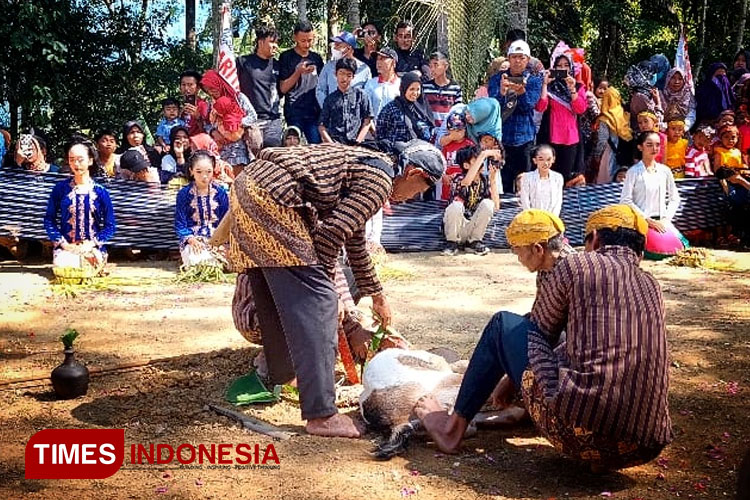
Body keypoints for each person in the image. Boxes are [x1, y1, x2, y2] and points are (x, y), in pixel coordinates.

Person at [417, 204, 673, 472]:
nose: (517, 257)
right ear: (640, 251)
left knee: (502, 324)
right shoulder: (652, 285)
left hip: (581, 435)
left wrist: (510, 372)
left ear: (595, 238)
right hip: (645, 446)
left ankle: (450, 431)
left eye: (518, 251)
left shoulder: (575, 266)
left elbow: (540, 332)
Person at [222, 140, 445, 438]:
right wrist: (331, 291)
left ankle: (285, 373)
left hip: (248, 187)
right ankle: (322, 415)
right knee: (322, 305)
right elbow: (330, 236)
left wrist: (377, 294)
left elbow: (352, 239)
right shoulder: (380, 179)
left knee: (277, 296)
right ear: (414, 173)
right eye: (419, 189)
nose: (412, 197)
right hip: (273, 198)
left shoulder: (370, 168)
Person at [44, 139, 116, 271]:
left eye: (80, 159)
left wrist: (92, 244)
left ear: (90, 160)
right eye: (72, 160)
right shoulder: (60, 189)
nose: (76, 164)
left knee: (89, 265)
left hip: (93, 247)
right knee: (66, 266)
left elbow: (110, 226)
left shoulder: (101, 192)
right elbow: (49, 220)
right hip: (67, 248)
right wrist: (63, 244)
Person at [621, 131, 688, 259]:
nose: (654, 148)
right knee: (656, 253)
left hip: (662, 221)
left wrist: (666, 219)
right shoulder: (633, 172)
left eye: (657, 145)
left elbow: (675, 198)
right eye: (649, 145)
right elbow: (625, 200)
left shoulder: (665, 171)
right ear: (640, 147)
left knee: (682, 247)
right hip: (641, 222)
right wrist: (647, 220)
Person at [490, 40, 543, 193]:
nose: (518, 61)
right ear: (508, 58)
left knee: (524, 182)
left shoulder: (533, 80)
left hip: (524, 139)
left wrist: (521, 93)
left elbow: (528, 106)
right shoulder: (497, 79)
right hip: (502, 138)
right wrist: (501, 92)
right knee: (503, 183)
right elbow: (494, 107)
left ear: (528, 60)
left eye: (522, 57)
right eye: (514, 57)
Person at [536, 51, 587, 187]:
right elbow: (541, 107)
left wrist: (572, 90)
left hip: (571, 138)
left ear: (570, 68)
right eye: (559, 66)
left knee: (567, 179)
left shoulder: (578, 86)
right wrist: (545, 85)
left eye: (566, 65)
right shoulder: (551, 87)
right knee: (549, 176)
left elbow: (580, 109)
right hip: (552, 137)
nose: (563, 69)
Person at [442, 145, 501, 256]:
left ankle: (474, 241)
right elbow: (467, 182)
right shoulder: (458, 178)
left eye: (482, 160)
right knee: (456, 206)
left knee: (488, 204)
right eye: (477, 160)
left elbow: (496, 207)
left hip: (472, 226)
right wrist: (484, 154)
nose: (481, 162)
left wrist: (493, 179)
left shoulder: (484, 180)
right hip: (456, 226)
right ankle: (451, 242)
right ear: (466, 165)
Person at [175, 150, 229, 267]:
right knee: (198, 261)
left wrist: (221, 241)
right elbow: (180, 224)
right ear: (191, 171)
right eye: (199, 172)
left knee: (228, 259)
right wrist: (191, 240)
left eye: (208, 172)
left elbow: (226, 220)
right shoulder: (184, 194)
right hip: (195, 239)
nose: (204, 176)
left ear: (213, 171)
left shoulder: (220, 193)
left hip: (217, 239)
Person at [279, 20, 325, 144]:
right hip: (294, 111)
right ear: (295, 38)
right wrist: (298, 72)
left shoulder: (316, 58)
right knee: (293, 146)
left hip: (314, 112)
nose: (307, 44)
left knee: (316, 147)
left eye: (310, 40)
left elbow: (323, 85)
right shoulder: (286, 57)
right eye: (303, 41)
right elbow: (283, 88)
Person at [237, 25, 283, 148]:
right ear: (261, 42)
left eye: (276, 43)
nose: (275, 46)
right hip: (251, 120)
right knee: (254, 159)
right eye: (272, 42)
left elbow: (282, 90)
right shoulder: (243, 62)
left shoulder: (278, 65)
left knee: (273, 158)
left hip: (274, 120)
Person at [200, 68, 260, 159]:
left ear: (218, 83)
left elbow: (253, 116)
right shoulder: (211, 104)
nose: (210, 92)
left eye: (212, 88)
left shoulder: (238, 98)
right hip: (221, 148)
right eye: (207, 91)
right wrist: (213, 131)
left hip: (241, 146)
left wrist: (235, 123)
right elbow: (207, 123)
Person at [318, 58, 373, 145]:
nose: (344, 78)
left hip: (357, 143)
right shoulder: (330, 99)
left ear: (353, 77)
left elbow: (367, 121)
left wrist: (358, 142)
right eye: (341, 73)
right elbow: (322, 126)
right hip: (335, 144)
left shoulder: (361, 95)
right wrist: (332, 144)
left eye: (348, 75)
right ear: (335, 74)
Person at [316, 32, 372, 108]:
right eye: (334, 45)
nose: (334, 48)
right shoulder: (329, 66)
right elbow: (320, 90)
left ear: (349, 48)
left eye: (338, 45)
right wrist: (328, 108)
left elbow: (368, 94)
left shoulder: (364, 69)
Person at [376, 72, 434, 144]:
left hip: (420, 151)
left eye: (418, 89)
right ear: (403, 88)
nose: (415, 93)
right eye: (412, 89)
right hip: (395, 152)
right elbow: (380, 133)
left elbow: (430, 129)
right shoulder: (390, 109)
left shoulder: (422, 109)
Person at [591, 86, 633, 183]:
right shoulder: (625, 115)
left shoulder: (605, 118)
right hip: (623, 153)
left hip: (609, 153)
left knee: (608, 179)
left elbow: (602, 140)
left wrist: (597, 155)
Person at [439, 110, 475, 200]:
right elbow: (441, 164)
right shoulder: (446, 146)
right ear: (448, 130)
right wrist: (444, 176)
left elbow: (474, 165)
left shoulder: (469, 145)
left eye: (460, 129)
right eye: (454, 129)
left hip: (464, 184)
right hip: (448, 185)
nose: (457, 132)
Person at [422, 52, 463, 130]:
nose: (432, 69)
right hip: (430, 131)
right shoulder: (425, 87)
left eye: (436, 65)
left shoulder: (455, 88)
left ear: (445, 66)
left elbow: (457, 112)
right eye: (430, 66)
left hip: (448, 131)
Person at [519, 144, 564, 216]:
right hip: (532, 219)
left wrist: (552, 219)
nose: (545, 163)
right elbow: (525, 202)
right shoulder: (527, 178)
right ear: (535, 160)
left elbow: (558, 202)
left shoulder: (558, 178)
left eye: (548, 159)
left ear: (553, 159)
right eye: (541, 159)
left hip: (551, 220)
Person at [624, 61, 663, 132]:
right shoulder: (640, 97)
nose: (654, 76)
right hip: (643, 136)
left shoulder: (646, 92)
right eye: (653, 73)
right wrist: (658, 103)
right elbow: (655, 120)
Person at [363, 48, 401, 119]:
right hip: (375, 128)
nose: (378, 62)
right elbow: (365, 109)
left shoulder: (401, 84)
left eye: (382, 59)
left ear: (393, 63)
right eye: (377, 59)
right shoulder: (371, 84)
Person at [179, 70, 210, 137]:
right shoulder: (177, 107)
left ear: (198, 87)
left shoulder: (203, 106)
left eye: (190, 85)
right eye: (183, 85)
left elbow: (207, 131)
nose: (186, 88)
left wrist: (198, 117)